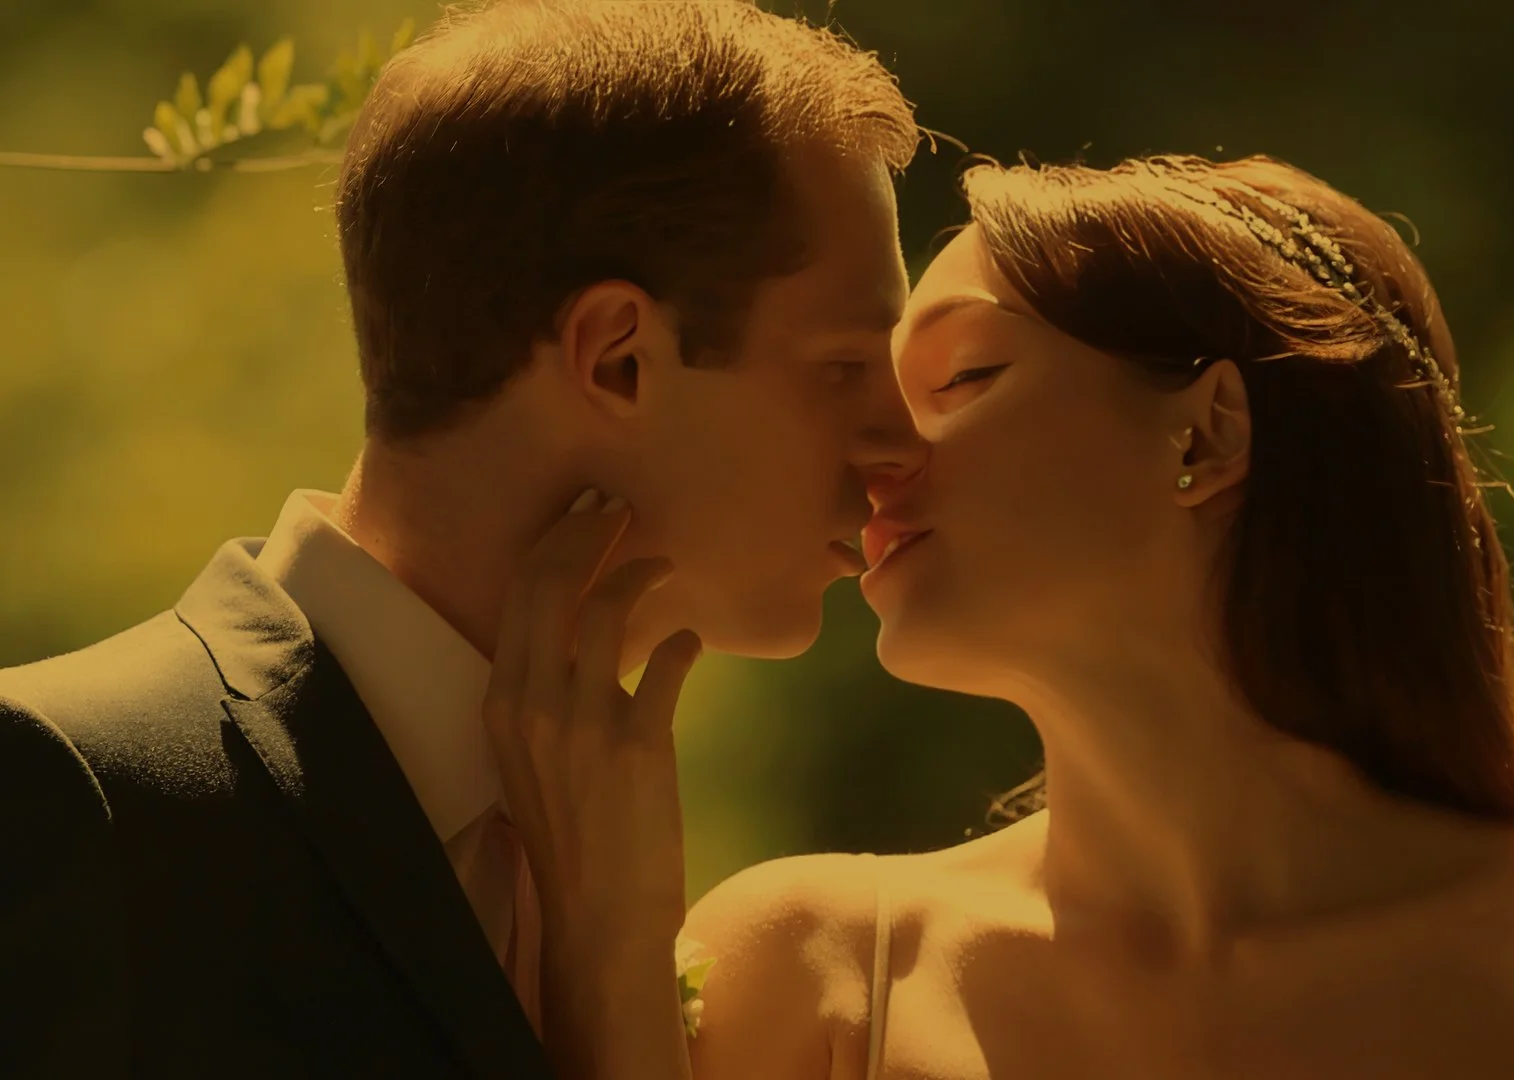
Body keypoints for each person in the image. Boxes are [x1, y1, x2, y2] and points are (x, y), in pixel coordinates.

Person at [490, 154, 1514, 1078]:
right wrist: (606, 947)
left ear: (1206, 433)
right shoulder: (809, 970)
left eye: (964, 378)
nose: (877, 455)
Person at [0, 1, 919, 1075]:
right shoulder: (63, 795)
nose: (901, 443)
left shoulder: (614, 853)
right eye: (844, 367)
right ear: (617, 357)